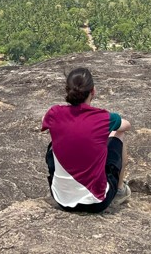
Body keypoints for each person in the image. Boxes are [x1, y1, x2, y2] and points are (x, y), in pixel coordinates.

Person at [42, 67, 131, 212]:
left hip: (61, 199)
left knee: (55, 143)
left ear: (68, 91)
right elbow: (126, 125)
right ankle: (120, 190)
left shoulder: (54, 113)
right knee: (118, 135)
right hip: (97, 202)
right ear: (93, 91)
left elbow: (44, 121)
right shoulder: (104, 118)